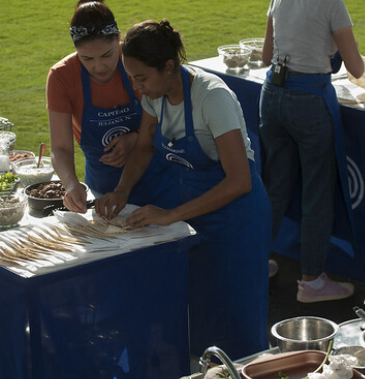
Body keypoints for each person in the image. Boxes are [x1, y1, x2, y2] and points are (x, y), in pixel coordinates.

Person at [95, 19, 271, 359]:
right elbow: (144, 147)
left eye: (142, 78)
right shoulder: (155, 97)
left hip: (238, 222)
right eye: (131, 78)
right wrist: (121, 190)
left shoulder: (211, 96)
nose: (137, 87)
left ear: (169, 66)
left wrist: (171, 215)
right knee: (202, 312)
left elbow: (239, 181)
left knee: (238, 318)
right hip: (196, 213)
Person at [259, 0, 365, 303]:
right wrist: (331, 51)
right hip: (310, 102)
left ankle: (255, 263)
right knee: (317, 192)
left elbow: (267, 54)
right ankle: (311, 280)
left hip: (271, 96)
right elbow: (357, 68)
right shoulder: (332, 4)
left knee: (274, 186)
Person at [46, 0, 176, 212]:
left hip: (158, 185)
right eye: (87, 58)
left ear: (118, 39)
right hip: (102, 189)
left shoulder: (138, 63)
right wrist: (70, 183)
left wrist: (136, 139)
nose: (99, 67)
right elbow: (60, 147)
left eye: (107, 55)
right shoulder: (61, 76)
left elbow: (170, 124)